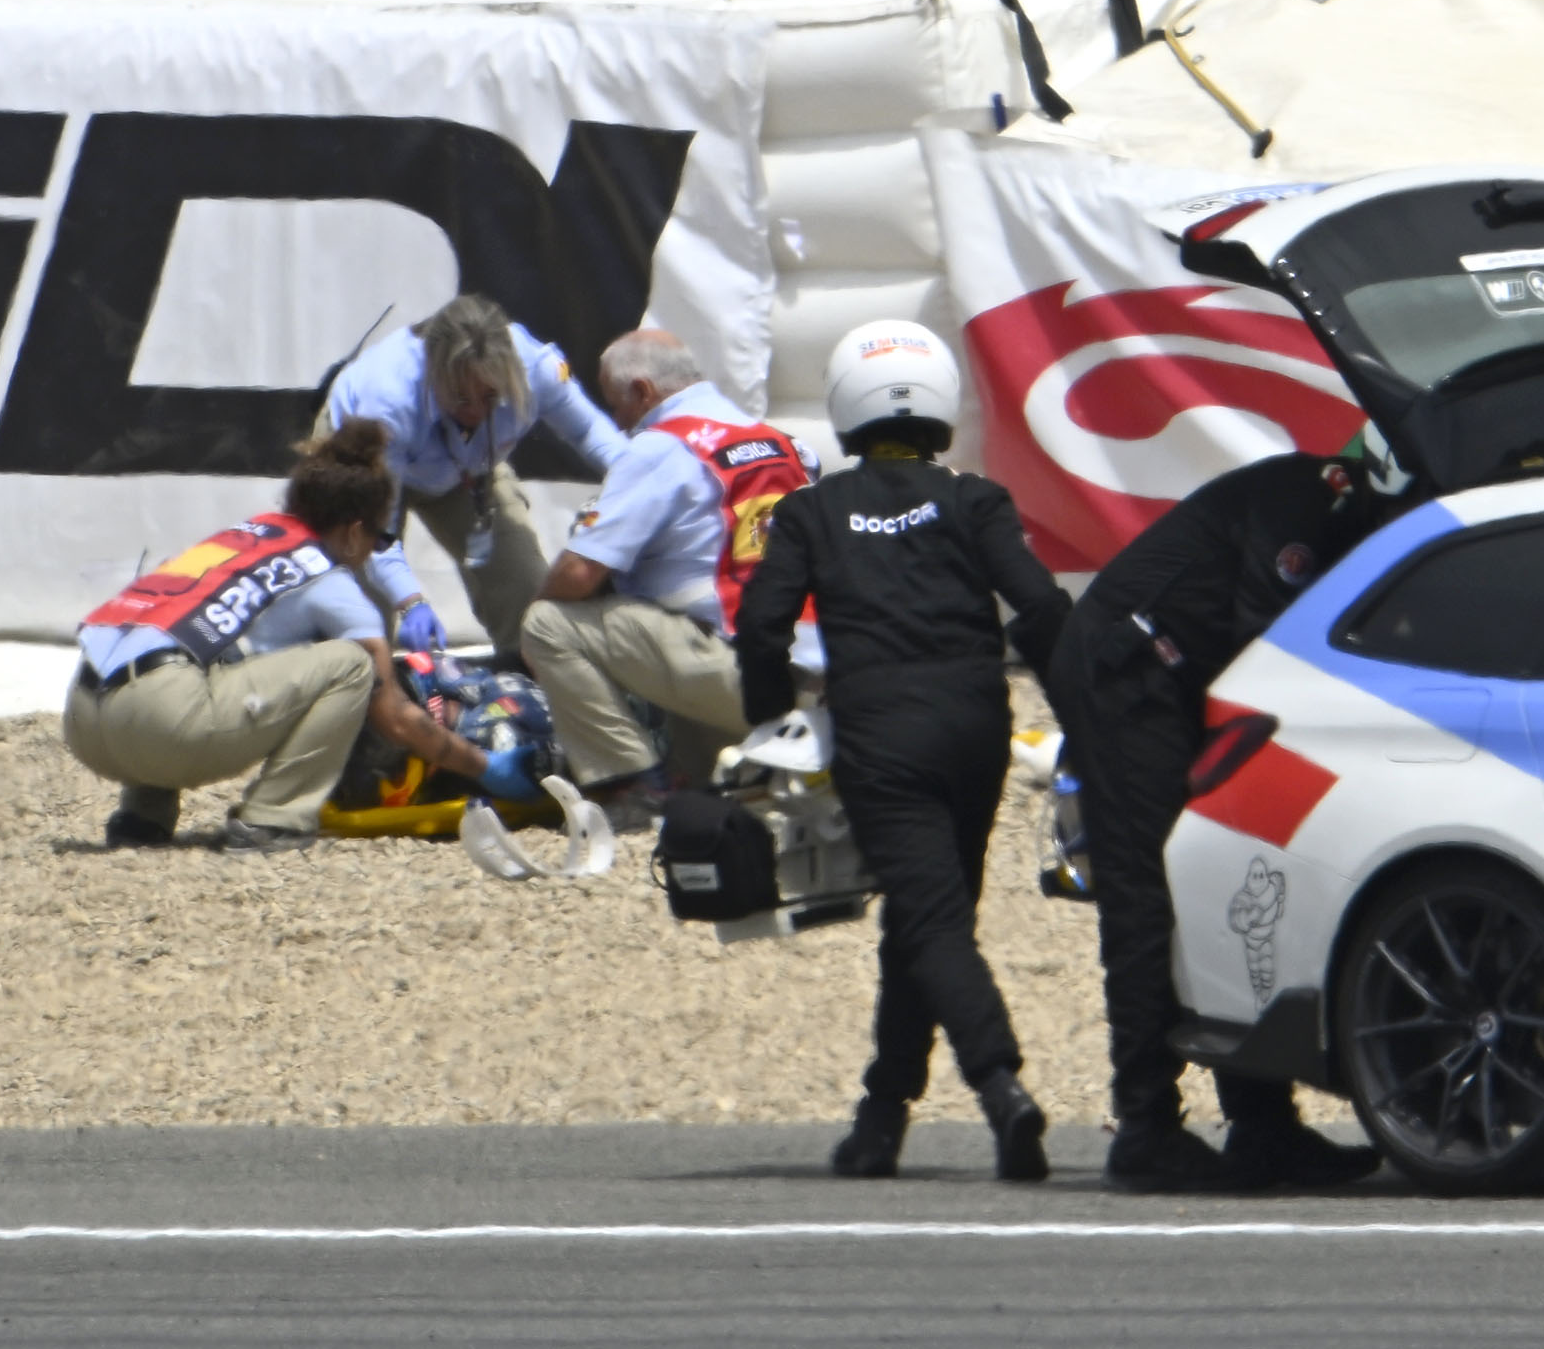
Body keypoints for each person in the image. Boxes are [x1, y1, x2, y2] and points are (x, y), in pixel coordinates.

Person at [732, 317, 1068, 1187]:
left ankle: (1002, 1087)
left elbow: (762, 627)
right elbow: (1039, 606)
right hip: (975, 723)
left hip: (882, 729)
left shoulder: (810, 511)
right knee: (928, 915)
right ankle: (881, 1118)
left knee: (928, 919)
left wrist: (773, 728)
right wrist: (1087, 712)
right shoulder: (975, 500)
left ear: (847, 407)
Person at [1042, 431, 1397, 1194]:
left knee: (1226, 884)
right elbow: (1266, 653)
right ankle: (1143, 1126)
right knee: (1148, 894)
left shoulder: (1343, 510)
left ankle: (1263, 1128)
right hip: (1128, 670)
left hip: (1177, 674)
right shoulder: (1310, 507)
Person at [62, 421, 485, 857]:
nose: (375, 552)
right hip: (162, 728)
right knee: (351, 666)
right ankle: (273, 819)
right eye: (380, 538)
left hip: (81, 720)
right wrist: (481, 765)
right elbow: (394, 716)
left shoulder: (245, 537)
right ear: (355, 530)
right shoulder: (330, 580)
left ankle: (141, 817)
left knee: (190, 652)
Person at [518, 321, 805, 817]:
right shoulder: (788, 445)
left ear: (642, 390)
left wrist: (525, 648)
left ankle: (632, 786)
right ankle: (749, 774)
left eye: (617, 406)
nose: (621, 422)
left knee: (546, 625)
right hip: (811, 676)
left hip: (738, 674)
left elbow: (578, 573)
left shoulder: (659, 448)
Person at [301, 291, 608, 675]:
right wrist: (411, 601)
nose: (476, 411)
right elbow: (376, 536)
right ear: (433, 374)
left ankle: (534, 698)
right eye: (461, 398)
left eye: (491, 396)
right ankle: (361, 710)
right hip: (366, 463)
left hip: (465, 470)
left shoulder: (536, 371)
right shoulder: (385, 402)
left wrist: (639, 477)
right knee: (361, 622)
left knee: (524, 590)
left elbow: (592, 431)